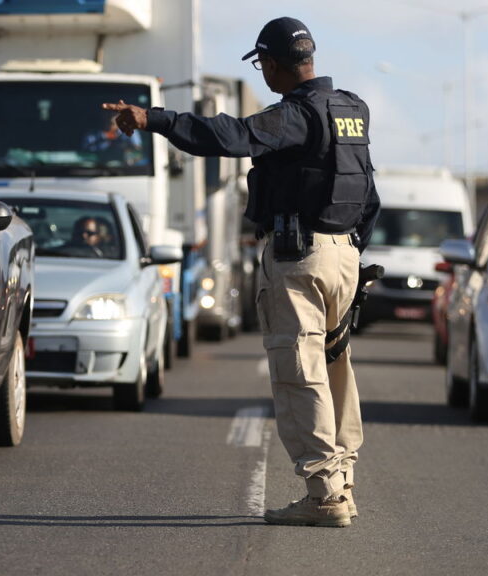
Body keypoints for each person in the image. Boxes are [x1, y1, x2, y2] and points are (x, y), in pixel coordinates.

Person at [104, 16, 379, 528]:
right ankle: (343, 482)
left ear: (273, 63)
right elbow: (368, 190)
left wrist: (154, 119)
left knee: (301, 373)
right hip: (345, 255)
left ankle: (325, 495)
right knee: (335, 369)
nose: (264, 77)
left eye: (263, 67)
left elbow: (228, 137)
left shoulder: (295, 114)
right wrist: (351, 250)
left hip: (301, 258)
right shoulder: (351, 110)